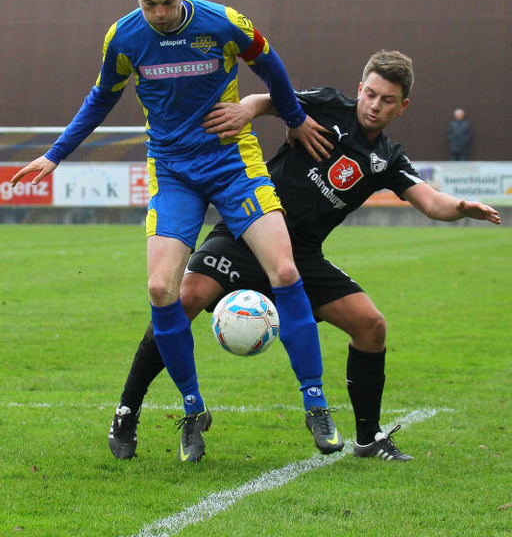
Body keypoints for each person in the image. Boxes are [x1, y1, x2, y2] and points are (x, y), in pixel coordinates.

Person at [10, 0, 343, 464]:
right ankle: (192, 409)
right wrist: (55, 155)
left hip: (233, 163)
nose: (160, 13)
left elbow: (271, 67)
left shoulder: (225, 23)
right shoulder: (123, 37)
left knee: (283, 269)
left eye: (167, 1)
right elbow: (101, 97)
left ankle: (315, 403)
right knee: (160, 288)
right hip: (173, 172)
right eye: (149, 4)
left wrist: (295, 118)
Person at [108, 50, 501, 462]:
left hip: (302, 256)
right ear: (360, 88)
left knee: (371, 326)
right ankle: (127, 410)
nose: (374, 105)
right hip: (245, 232)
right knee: (180, 299)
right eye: (370, 94)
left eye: (387, 100)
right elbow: (267, 100)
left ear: (402, 107)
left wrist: (462, 207)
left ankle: (369, 438)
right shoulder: (328, 105)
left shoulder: (387, 159)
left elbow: (432, 201)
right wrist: (245, 111)